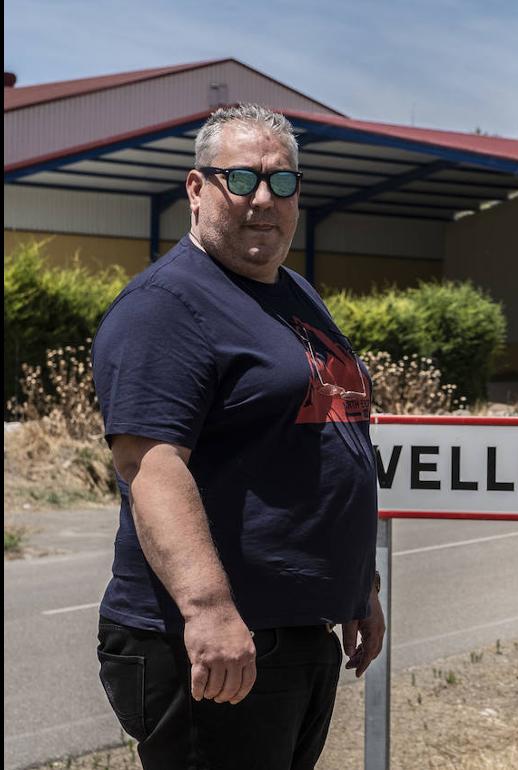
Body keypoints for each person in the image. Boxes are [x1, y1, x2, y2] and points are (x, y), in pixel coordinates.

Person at [91, 104, 384, 770]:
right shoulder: (167, 306)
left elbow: (320, 440)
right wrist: (209, 610)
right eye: (241, 179)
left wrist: (357, 586)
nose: (262, 199)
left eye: (281, 183)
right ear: (197, 190)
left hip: (293, 633)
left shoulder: (294, 294)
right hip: (213, 642)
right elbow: (151, 464)